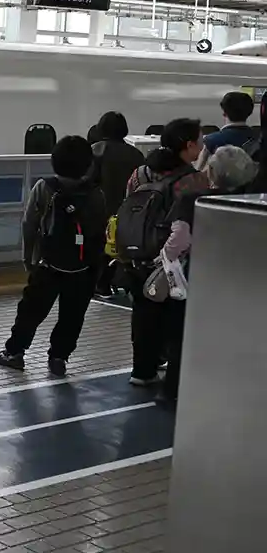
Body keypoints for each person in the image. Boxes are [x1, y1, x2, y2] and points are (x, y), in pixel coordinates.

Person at [0, 136, 108, 377]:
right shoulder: (97, 194)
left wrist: (28, 258)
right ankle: (59, 358)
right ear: (88, 166)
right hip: (83, 268)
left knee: (31, 311)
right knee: (72, 315)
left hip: (47, 264)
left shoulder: (44, 188)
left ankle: (15, 353)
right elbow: (99, 232)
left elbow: (29, 224)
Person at [153, 145, 258, 407]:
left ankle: (170, 391)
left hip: (195, 279)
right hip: (237, 281)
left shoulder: (194, 200)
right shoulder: (253, 202)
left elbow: (177, 242)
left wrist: (161, 260)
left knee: (181, 336)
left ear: (210, 169)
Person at [123, 118, 209, 387]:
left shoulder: (140, 173)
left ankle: (142, 371)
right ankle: (171, 377)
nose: (203, 145)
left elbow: (127, 207)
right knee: (173, 318)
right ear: (189, 145)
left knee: (143, 314)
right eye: (200, 140)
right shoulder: (193, 179)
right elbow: (195, 222)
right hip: (174, 263)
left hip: (138, 254)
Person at [87, 111, 145, 296]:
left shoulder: (95, 151)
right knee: (120, 247)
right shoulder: (135, 154)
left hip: (98, 210)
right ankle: (121, 282)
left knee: (99, 247)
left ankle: (100, 284)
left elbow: (87, 182)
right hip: (128, 210)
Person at [197, 91, 255, 169]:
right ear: (250, 112)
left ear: (224, 113)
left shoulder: (210, 141)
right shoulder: (258, 138)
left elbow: (198, 172)